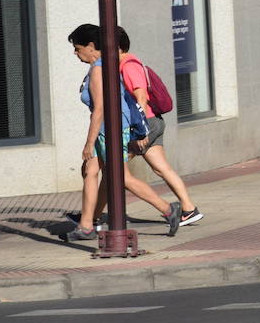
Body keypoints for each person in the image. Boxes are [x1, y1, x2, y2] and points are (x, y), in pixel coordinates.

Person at [62, 24, 181, 242]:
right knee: (90, 171)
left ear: (90, 46)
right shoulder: (104, 66)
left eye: (77, 48)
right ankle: (86, 226)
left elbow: (99, 109)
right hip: (107, 130)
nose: (75, 53)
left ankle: (168, 209)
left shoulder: (98, 69)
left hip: (110, 131)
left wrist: (89, 143)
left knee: (122, 178)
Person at [116, 26, 202, 227]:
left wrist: (140, 130)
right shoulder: (129, 63)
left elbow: (141, 97)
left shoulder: (128, 66)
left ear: (118, 47)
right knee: (162, 169)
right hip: (153, 121)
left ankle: (89, 218)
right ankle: (189, 209)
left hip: (146, 124)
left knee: (112, 168)